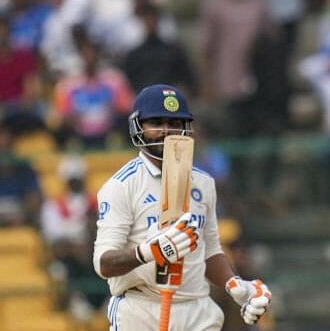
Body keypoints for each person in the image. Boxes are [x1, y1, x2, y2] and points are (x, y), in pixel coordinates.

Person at [92, 84, 272, 331]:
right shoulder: (122, 186)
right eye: (156, 123)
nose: (167, 131)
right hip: (142, 309)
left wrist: (235, 286)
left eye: (175, 123)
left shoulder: (204, 182)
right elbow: (104, 263)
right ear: (138, 127)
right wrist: (149, 251)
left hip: (197, 308)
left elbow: (210, 251)